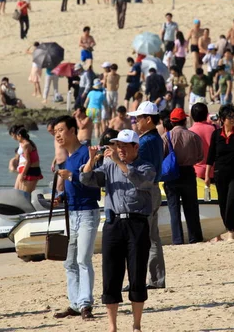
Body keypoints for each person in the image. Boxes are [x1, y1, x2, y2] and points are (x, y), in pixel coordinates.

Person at [79, 130, 155, 332]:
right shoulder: (109, 164)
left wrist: (118, 162)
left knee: (137, 274)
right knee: (111, 274)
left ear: (135, 147)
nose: (120, 149)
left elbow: (141, 182)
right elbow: (87, 179)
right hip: (113, 225)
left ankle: (136, 325)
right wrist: (91, 160)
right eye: (117, 145)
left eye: (124, 146)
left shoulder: (146, 167)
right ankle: (112, 326)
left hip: (137, 224)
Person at [52, 116, 101, 320]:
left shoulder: (86, 154)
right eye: (55, 131)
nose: (57, 134)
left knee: (82, 259)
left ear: (73, 131)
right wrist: (61, 197)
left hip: (88, 212)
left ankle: (86, 305)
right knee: (69, 262)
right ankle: (74, 303)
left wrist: (71, 177)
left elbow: (95, 185)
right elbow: (74, 188)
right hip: (72, 214)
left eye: (61, 130)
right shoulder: (69, 159)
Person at [127, 102, 166, 289]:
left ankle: (142, 280)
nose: (135, 122)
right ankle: (156, 279)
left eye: (138, 118)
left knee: (142, 237)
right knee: (152, 236)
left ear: (148, 119)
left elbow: (133, 164)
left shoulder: (145, 141)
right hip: (153, 189)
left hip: (145, 190)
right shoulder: (155, 139)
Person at [205, 104, 234, 240]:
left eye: (233, 117)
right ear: (222, 119)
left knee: (231, 200)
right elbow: (211, 156)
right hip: (220, 173)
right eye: (229, 117)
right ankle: (228, 226)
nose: (232, 120)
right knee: (223, 202)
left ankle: (231, 231)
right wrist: (207, 175)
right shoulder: (215, 135)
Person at [161, 108, 204, 244]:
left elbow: (161, 156)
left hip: (171, 174)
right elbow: (199, 157)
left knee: (174, 210)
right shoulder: (193, 136)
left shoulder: (165, 137)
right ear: (185, 120)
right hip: (188, 174)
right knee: (191, 208)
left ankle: (178, 239)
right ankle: (195, 237)